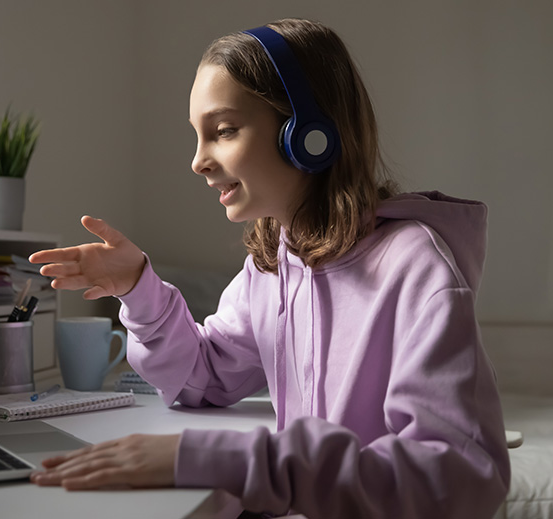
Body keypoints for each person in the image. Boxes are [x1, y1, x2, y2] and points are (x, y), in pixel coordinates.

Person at [28, 18, 510, 519]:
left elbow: (457, 477)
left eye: (224, 131)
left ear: (309, 134)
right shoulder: (273, 268)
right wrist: (137, 288)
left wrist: (225, 461)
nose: (198, 161)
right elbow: (204, 377)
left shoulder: (416, 267)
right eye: (197, 136)